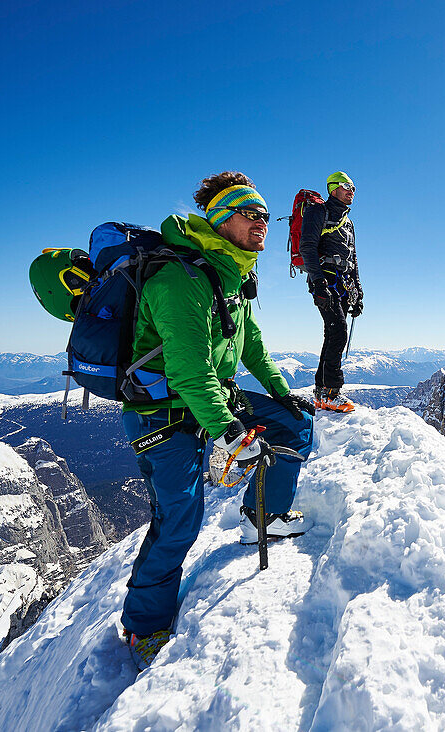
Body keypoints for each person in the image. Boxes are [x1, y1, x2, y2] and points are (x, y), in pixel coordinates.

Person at [120, 171, 316, 670]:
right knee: (180, 519)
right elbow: (188, 371)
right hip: (162, 413)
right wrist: (229, 432)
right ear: (221, 217)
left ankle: (264, 514)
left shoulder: (233, 276)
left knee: (294, 427)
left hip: (210, 397)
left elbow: (250, 344)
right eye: (251, 214)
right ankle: (145, 626)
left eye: (266, 217)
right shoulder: (180, 279)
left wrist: (281, 395)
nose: (263, 225)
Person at [299, 171, 362, 412]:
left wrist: (358, 292)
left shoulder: (348, 221)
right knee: (338, 334)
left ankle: (321, 391)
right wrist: (318, 284)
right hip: (325, 280)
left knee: (332, 333)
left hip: (343, 283)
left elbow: (353, 258)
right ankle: (331, 392)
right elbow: (307, 246)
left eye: (354, 187)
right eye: (347, 186)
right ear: (332, 188)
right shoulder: (318, 212)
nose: (352, 191)